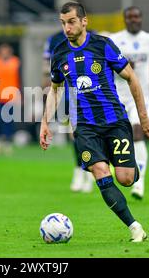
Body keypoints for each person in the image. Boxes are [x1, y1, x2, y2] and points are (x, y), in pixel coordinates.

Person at [40, 2, 149, 242]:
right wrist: (45, 122)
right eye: (63, 23)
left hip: (114, 120)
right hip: (84, 127)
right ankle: (134, 227)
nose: (67, 28)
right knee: (101, 173)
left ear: (84, 21)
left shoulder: (102, 46)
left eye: (71, 22)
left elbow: (132, 78)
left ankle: (123, 165)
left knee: (125, 179)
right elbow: (54, 90)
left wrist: (144, 118)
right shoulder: (60, 53)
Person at [110, 6, 149, 200]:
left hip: (143, 96)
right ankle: (119, 169)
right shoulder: (115, 40)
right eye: (130, 17)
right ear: (125, 19)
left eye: (137, 17)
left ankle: (140, 181)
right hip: (119, 95)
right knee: (117, 134)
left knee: (137, 131)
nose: (134, 20)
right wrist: (122, 68)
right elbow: (107, 65)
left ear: (141, 18)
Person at [43, 30, 95, 193]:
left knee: (93, 132)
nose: (68, 26)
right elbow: (47, 66)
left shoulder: (93, 37)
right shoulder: (55, 39)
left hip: (91, 91)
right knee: (75, 133)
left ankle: (91, 172)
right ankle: (80, 170)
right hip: (67, 90)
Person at [0, 43, 20, 153]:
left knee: (8, 120)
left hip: (10, 96)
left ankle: (7, 141)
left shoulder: (15, 62)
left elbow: (19, 78)